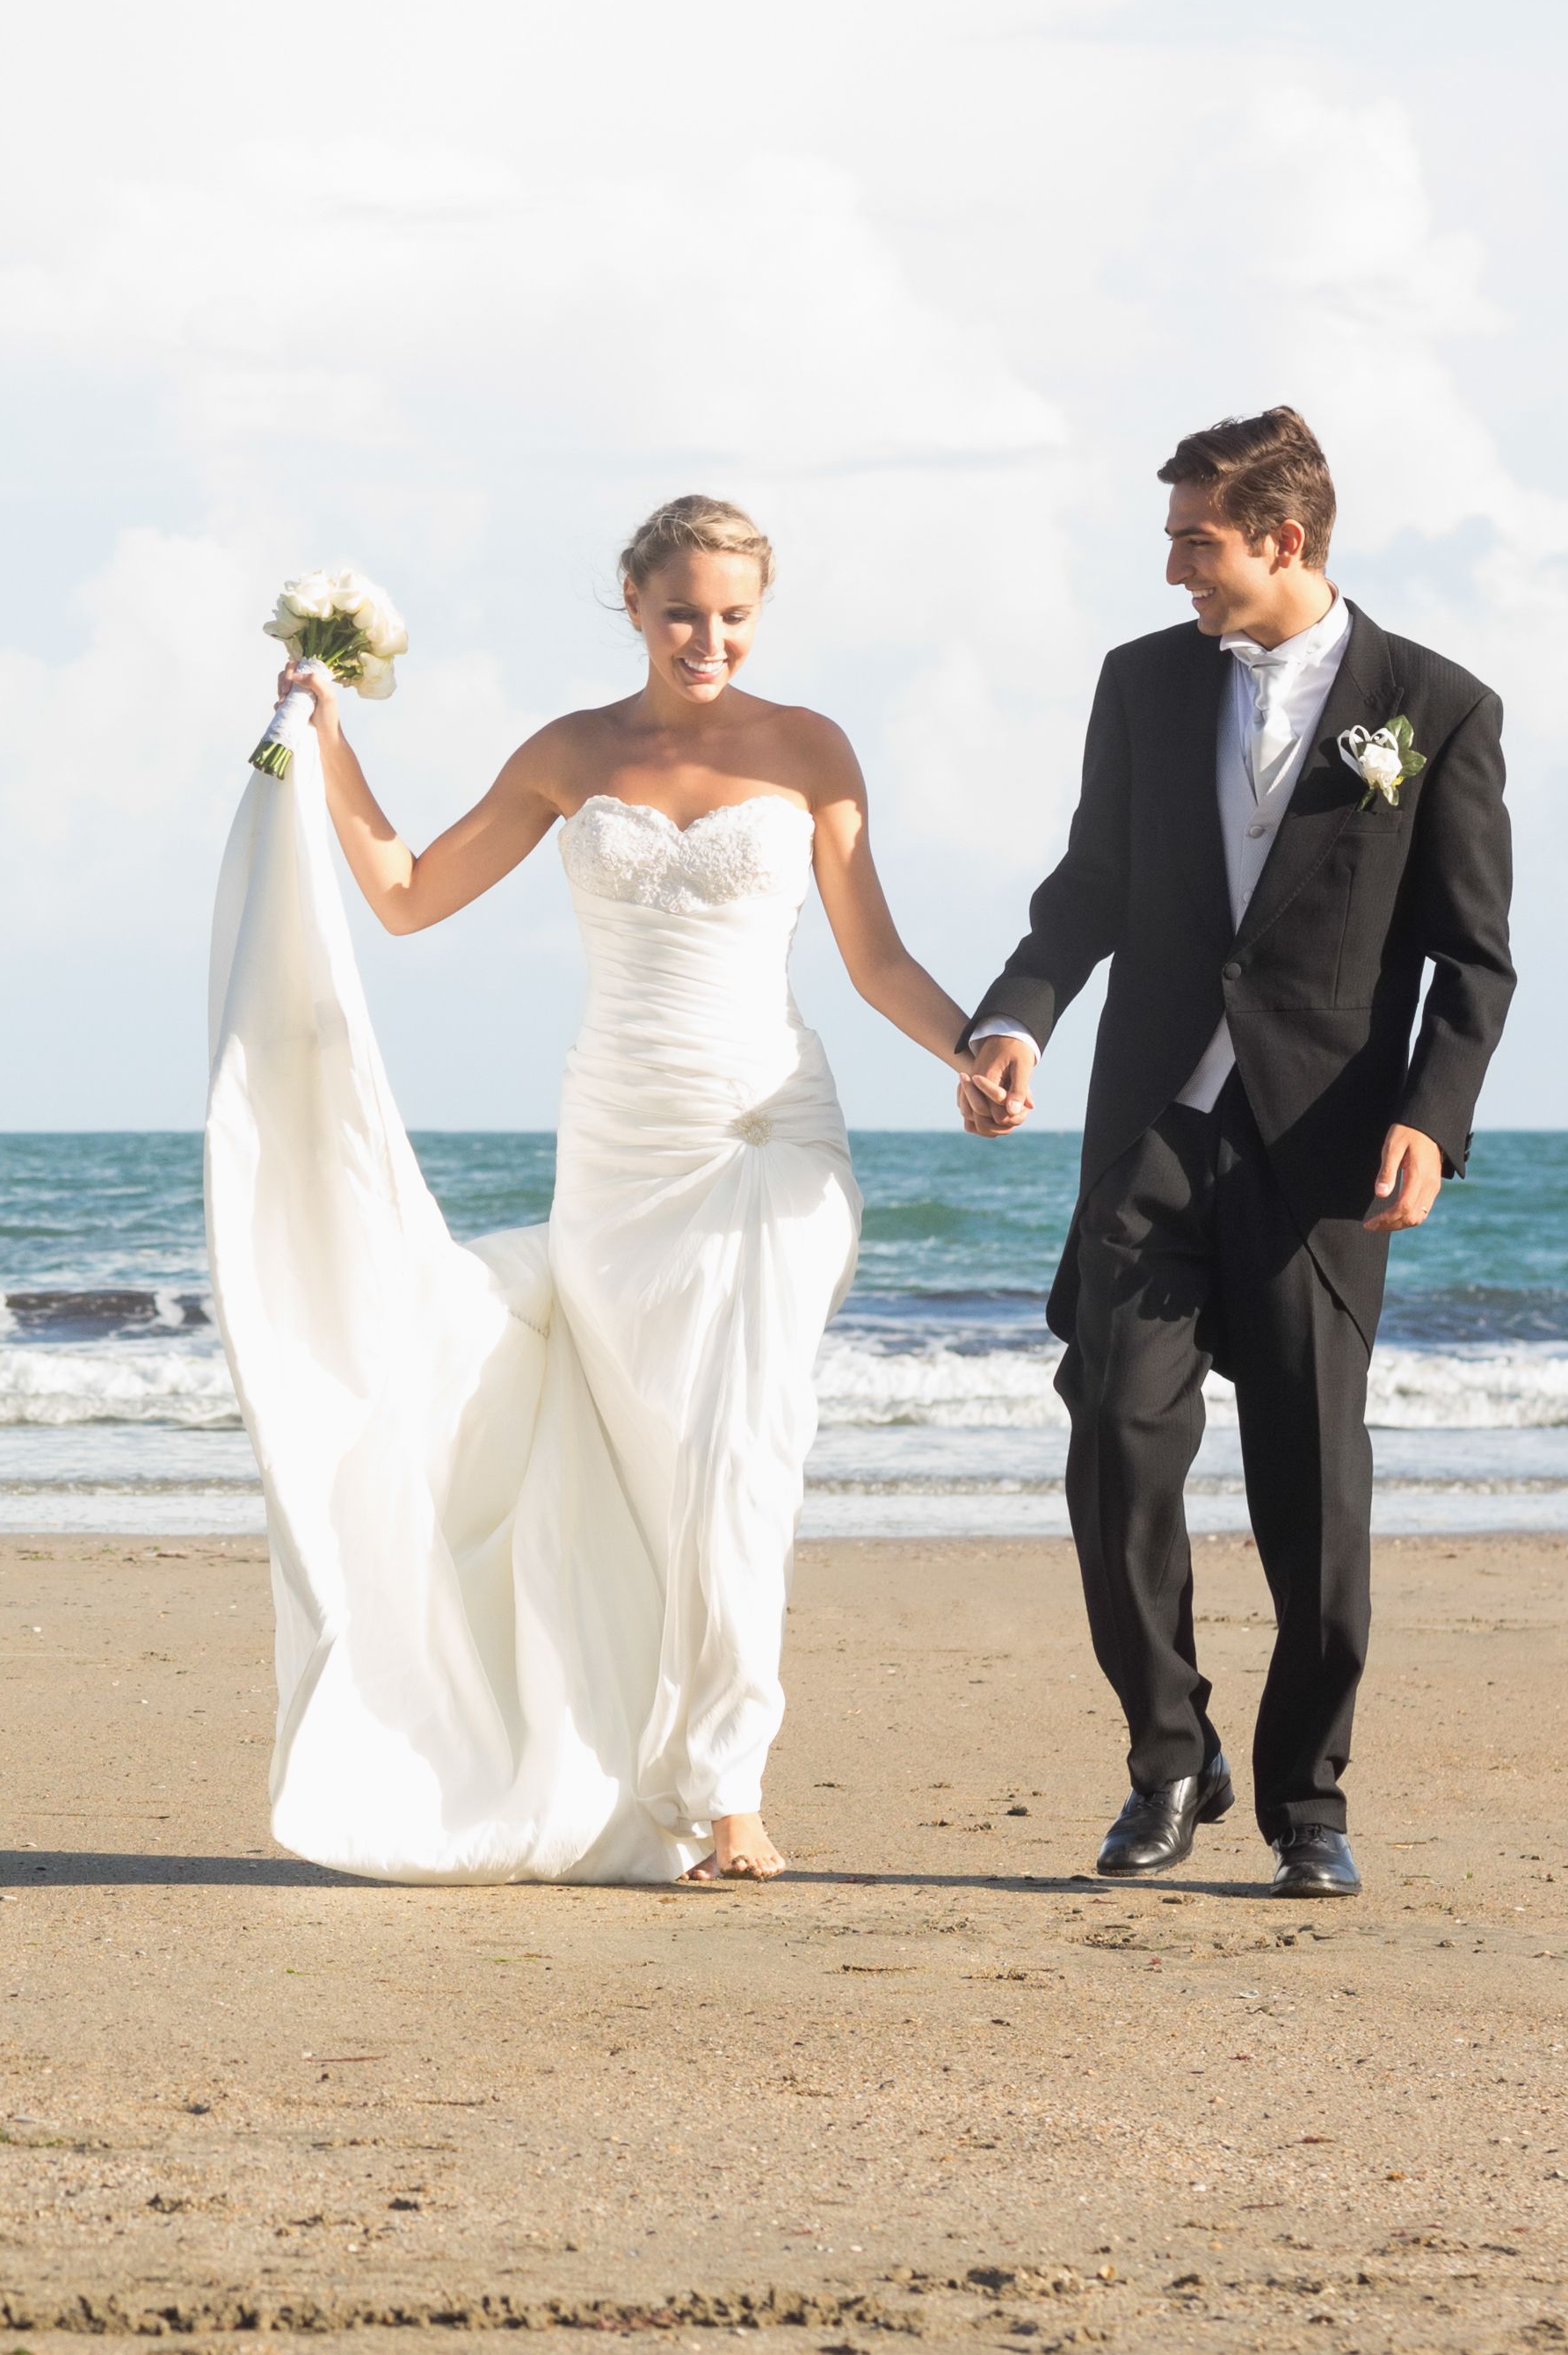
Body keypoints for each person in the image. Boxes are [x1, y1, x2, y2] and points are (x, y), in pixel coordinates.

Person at [204, 497, 993, 1884]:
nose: (709, 639)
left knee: (743, 1453)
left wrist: (974, 1047)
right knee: (649, 1463)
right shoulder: (570, 753)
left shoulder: (812, 750)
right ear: (633, 601)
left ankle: (728, 1787)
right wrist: (325, 737)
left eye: (735, 615)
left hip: (771, 1137)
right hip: (620, 1155)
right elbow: (406, 893)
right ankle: (636, 1760)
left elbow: (874, 958)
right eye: (683, 611)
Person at [955, 408, 1516, 1899]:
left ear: (1283, 537)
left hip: (1320, 1158)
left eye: (1194, 542)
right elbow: (1090, 884)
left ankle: (1309, 1803)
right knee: (1112, 1441)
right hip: (1150, 1132)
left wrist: (1432, 1117)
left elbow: (1472, 957)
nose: (1174, 570)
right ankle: (1168, 1755)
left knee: (1313, 1491)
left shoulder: (1438, 708)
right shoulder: (1141, 685)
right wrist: (1014, 1020)